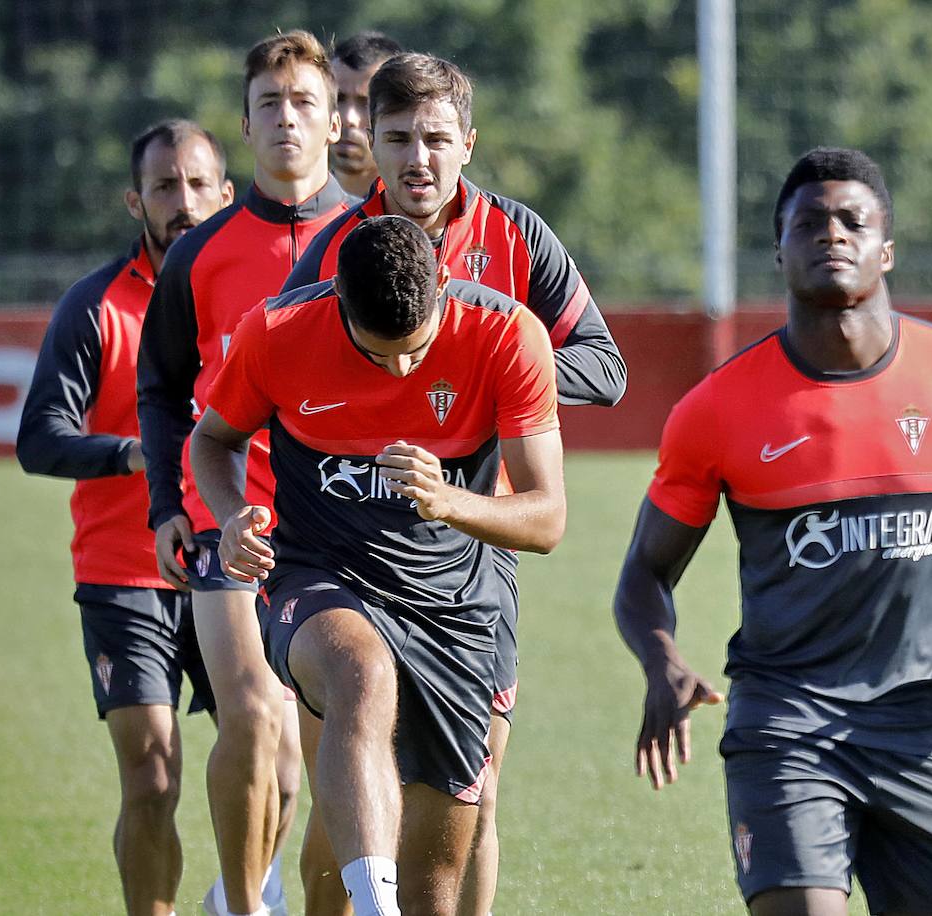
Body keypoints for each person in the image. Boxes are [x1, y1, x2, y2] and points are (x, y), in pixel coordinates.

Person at [613, 148, 932, 916]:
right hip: (786, 724)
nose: (832, 234)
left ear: (886, 248)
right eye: (809, 222)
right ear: (779, 250)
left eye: (854, 219)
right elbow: (644, 575)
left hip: (923, 720)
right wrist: (662, 664)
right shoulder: (716, 411)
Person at [282, 51, 626, 915]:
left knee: (474, 793)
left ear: (467, 143)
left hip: (477, 539)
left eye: (436, 138)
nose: (418, 159)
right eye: (398, 138)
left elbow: (606, 365)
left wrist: (496, 379)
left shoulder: (519, 237)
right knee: (342, 814)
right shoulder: (334, 249)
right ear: (369, 143)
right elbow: (276, 389)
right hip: (347, 555)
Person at [189, 215, 567, 916]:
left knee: (438, 874)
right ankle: (372, 905)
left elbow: (547, 520)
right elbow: (213, 440)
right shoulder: (275, 332)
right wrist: (232, 512)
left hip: (457, 600)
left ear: (447, 287)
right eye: (376, 353)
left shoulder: (509, 335)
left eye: (414, 351)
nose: (398, 370)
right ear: (337, 302)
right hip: (318, 571)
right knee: (360, 673)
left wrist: (447, 500)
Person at [136, 29, 351, 916]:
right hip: (233, 522)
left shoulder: (375, 238)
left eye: (304, 103)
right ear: (247, 124)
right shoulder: (198, 254)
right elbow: (159, 391)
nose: (287, 120)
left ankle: (317, 900)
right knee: (255, 717)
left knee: (337, 744)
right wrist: (164, 506)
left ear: (335, 121)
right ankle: (242, 906)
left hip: (346, 530)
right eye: (270, 105)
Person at [16, 119, 233, 916]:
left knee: (276, 765)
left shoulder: (255, 295)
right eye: (166, 187)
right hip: (124, 574)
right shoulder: (93, 306)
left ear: (226, 192)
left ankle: (245, 894)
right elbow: (39, 439)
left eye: (198, 184)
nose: (184, 202)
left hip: (233, 558)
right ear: (134, 200)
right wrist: (137, 452)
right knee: (151, 777)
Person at [329, 31, 403, 198]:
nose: (348, 118)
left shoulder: (424, 214)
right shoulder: (293, 209)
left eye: (366, 103)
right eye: (338, 99)